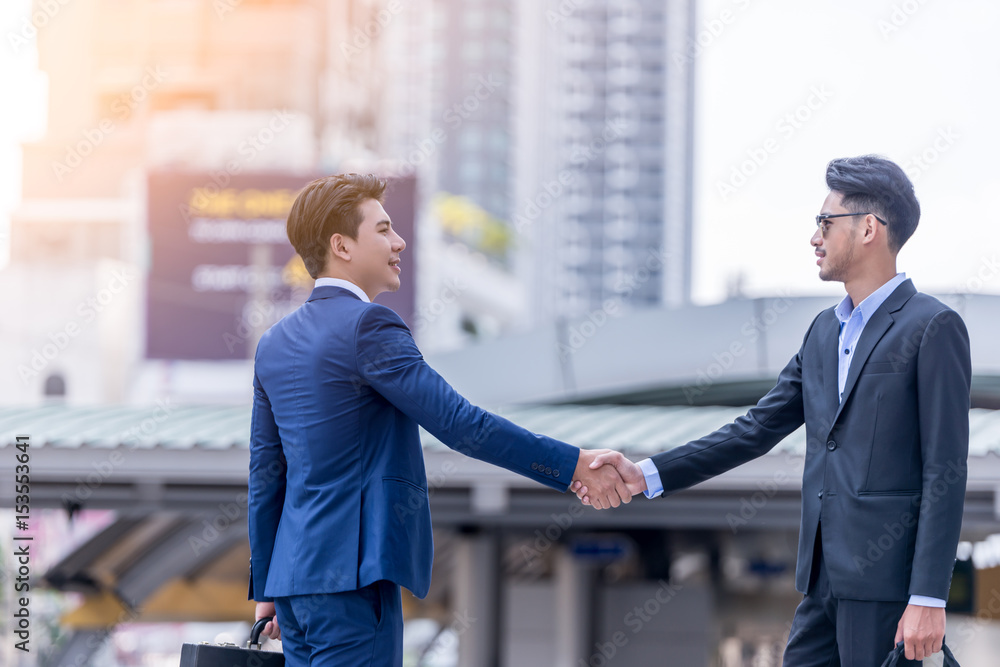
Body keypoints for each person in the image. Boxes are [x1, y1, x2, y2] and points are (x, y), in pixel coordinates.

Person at [574, 155, 971, 665]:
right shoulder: (823, 332)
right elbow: (755, 429)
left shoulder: (931, 326)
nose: (815, 237)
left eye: (825, 222)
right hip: (820, 581)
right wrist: (646, 474)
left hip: (887, 588)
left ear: (869, 228)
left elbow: (946, 467)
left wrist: (929, 596)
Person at [247, 173, 630, 667]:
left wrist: (268, 588)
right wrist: (573, 465)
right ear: (341, 246)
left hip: (294, 587)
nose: (399, 241)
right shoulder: (369, 326)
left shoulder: (272, 344)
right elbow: (460, 423)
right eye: (383, 230)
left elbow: (265, 476)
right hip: (353, 579)